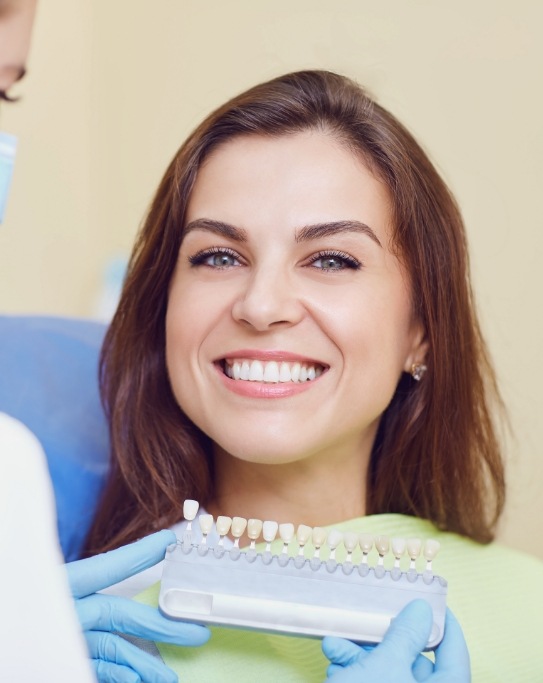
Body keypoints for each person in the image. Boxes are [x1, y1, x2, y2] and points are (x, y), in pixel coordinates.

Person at [78, 69, 543, 681]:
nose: (262, 305)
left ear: (421, 331)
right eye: (218, 256)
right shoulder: (84, 628)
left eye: (331, 259)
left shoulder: (528, 618)